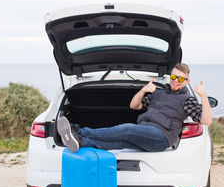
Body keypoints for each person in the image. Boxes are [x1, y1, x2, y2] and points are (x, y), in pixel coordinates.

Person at [57, 63, 212, 153]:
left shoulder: (187, 100)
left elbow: (206, 121)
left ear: (186, 81)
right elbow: (134, 105)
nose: (175, 81)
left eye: (180, 79)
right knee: (119, 142)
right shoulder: (157, 93)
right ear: (169, 77)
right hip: (146, 131)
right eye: (173, 77)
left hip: (162, 137)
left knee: (127, 129)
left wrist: (203, 96)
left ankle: (78, 131)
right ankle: (80, 142)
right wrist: (144, 89)